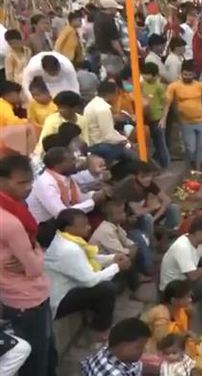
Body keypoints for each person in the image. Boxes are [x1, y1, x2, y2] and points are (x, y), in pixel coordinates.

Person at [0, 155, 56, 376]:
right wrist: (38, 251)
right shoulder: (11, 221)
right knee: (37, 361)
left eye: (30, 181)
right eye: (21, 182)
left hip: (21, 297)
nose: (28, 188)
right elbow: (34, 269)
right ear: (2, 181)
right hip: (26, 299)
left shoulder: (15, 209)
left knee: (46, 353)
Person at [45, 209, 129, 341]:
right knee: (106, 289)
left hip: (71, 287)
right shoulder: (69, 249)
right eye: (84, 225)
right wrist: (116, 267)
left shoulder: (66, 239)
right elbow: (89, 281)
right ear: (69, 228)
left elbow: (88, 257)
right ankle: (100, 330)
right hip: (60, 300)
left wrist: (112, 258)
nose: (89, 227)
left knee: (109, 278)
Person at [27, 147, 108, 242]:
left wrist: (98, 194)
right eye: (72, 161)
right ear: (58, 165)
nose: (76, 163)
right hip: (46, 229)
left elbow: (81, 198)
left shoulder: (67, 179)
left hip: (63, 222)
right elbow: (61, 214)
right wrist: (92, 201)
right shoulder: (45, 183)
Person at [158, 215, 202, 324]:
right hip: (172, 289)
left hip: (185, 281)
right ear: (199, 233)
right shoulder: (182, 247)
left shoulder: (198, 243)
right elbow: (193, 276)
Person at [162, 60, 202, 171]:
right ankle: (189, 165)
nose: (187, 77)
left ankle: (197, 169)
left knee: (200, 147)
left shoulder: (199, 85)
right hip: (186, 122)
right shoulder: (174, 86)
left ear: (194, 74)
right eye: (185, 74)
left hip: (201, 120)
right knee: (190, 148)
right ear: (181, 73)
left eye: (190, 75)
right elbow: (167, 102)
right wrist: (163, 118)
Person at [80, 317, 150, 376]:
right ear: (123, 345)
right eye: (139, 347)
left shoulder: (109, 351)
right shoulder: (114, 373)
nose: (144, 350)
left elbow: (136, 367)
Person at [84, 81, 133, 162]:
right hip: (100, 145)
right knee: (133, 154)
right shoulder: (103, 109)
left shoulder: (92, 104)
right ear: (113, 94)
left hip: (96, 143)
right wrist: (126, 141)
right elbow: (108, 136)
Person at [141, 280, 193, 354]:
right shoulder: (161, 315)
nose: (190, 300)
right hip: (150, 350)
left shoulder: (180, 311)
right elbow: (162, 341)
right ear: (174, 300)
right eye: (186, 297)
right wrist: (184, 335)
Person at [35, 90, 89, 154]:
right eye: (59, 107)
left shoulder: (83, 120)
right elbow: (43, 143)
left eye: (63, 108)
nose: (60, 110)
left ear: (75, 108)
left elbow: (86, 140)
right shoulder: (52, 121)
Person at [141, 62, 171, 168]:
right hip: (146, 118)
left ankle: (167, 166)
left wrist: (163, 119)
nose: (144, 76)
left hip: (157, 118)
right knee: (153, 144)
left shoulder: (158, 86)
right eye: (143, 74)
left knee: (161, 144)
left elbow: (166, 102)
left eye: (147, 74)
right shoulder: (142, 84)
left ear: (154, 75)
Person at [93, 0, 126, 76]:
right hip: (112, 55)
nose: (116, 12)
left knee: (108, 76)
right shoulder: (109, 21)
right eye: (115, 9)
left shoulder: (97, 18)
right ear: (110, 9)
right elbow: (114, 42)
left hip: (102, 53)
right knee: (116, 76)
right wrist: (122, 55)